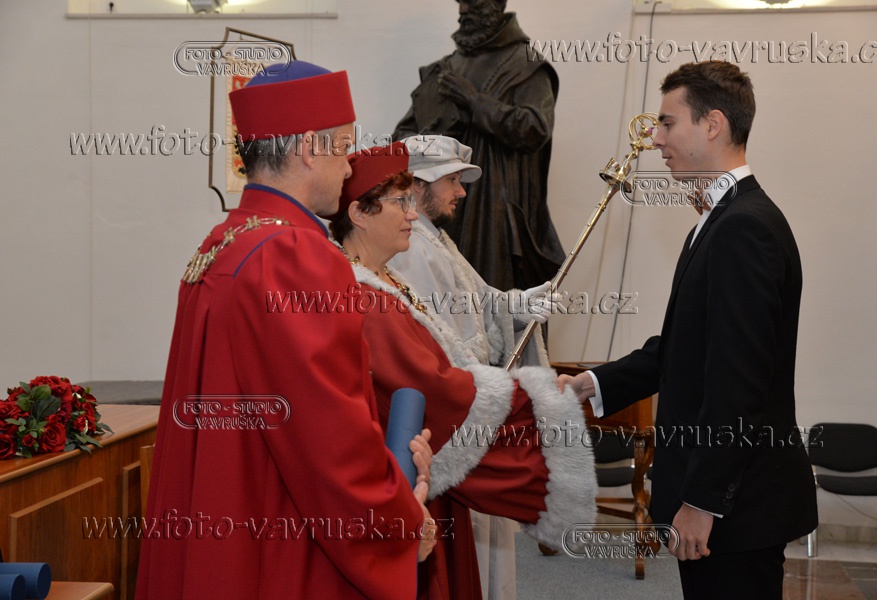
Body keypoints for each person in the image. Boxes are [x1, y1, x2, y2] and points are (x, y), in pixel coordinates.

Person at [136, 61, 436, 600]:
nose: (349, 166)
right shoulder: (296, 254)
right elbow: (331, 438)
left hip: (226, 519)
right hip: (283, 540)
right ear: (309, 148)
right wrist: (396, 521)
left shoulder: (222, 242)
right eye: (343, 147)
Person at [559, 61, 817, 599]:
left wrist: (703, 501)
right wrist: (594, 383)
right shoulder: (720, 221)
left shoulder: (743, 227)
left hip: (735, 507)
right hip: (730, 501)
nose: (656, 139)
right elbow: (684, 348)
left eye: (667, 123)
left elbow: (738, 380)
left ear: (712, 124)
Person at [328, 142, 597, 600]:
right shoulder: (365, 295)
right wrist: (527, 398)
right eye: (400, 202)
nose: (411, 214)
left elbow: (471, 310)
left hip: (430, 460)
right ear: (360, 213)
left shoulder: (391, 275)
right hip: (411, 469)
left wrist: (516, 308)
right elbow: (428, 384)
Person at [388, 134, 558, 599]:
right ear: (417, 184)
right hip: (458, 413)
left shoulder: (435, 238)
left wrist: (520, 304)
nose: (461, 192)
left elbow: (481, 302)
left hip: (476, 404)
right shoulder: (411, 247)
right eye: (451, 180)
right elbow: (439, 344)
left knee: (483, 544)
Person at [394, 0, 565, 291]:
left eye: (472, 3)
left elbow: (534, 129)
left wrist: (474, 101)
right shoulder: (445, 68)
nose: (463, 10)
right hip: (437, 207)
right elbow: (402, 137)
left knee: (493, 294)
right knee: (439, 294)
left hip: (493, 209)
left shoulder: (525, 65)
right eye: (460, 2)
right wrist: (436, 137)